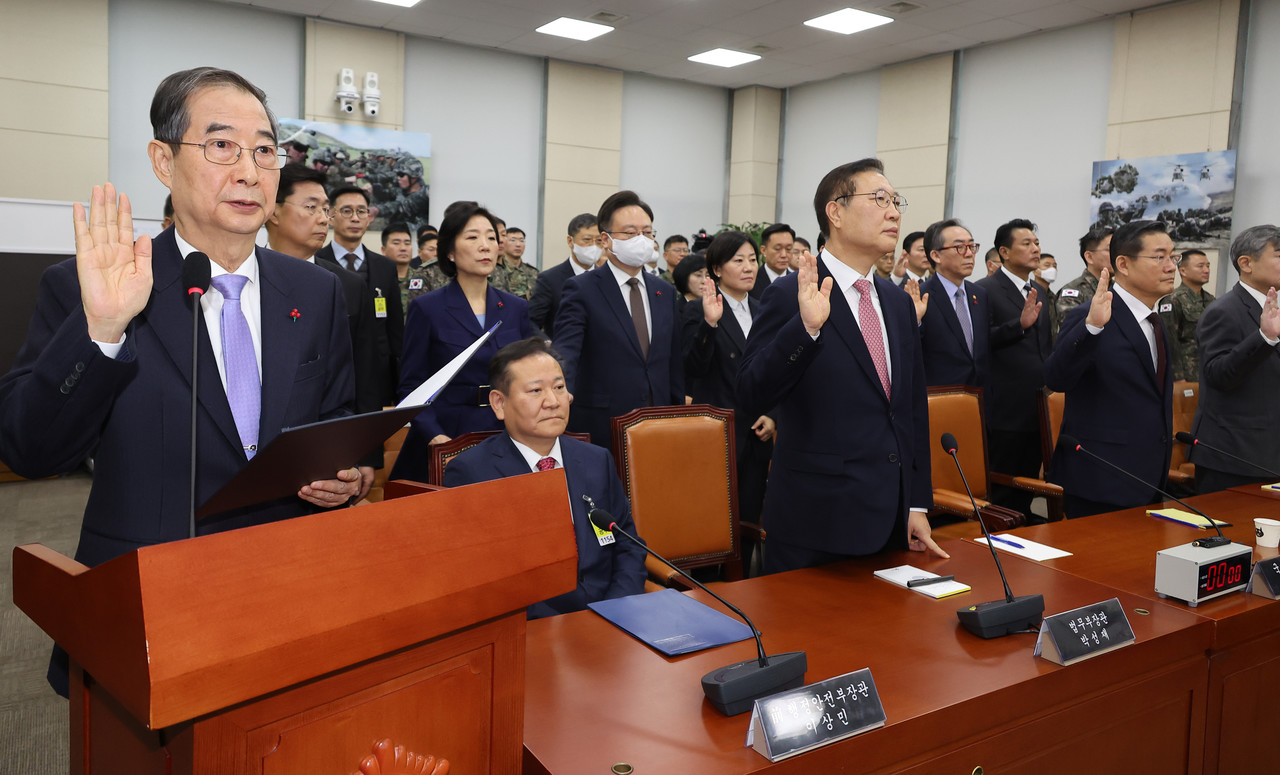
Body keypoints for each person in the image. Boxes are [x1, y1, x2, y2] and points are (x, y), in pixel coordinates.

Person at [0, 67, 362, 696]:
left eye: (265, 150)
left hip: (292, 594)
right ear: (163, 161)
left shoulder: (316, 290)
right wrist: (105, 328)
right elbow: (28, 449)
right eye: (221, 146)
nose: (249, 171)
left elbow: (335, 422)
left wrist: (349, 476)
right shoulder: (93, 286)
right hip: (147, 603)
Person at [737, 158, 945, 574]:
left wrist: (916, 502)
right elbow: (750, 393)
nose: (894, 212)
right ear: (836, 211)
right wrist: (807, 331)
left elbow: (909, 410)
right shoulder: (790, 294)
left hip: (890, 518)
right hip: (816, 524)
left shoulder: (898, 302)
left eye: (896, 201)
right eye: (880, 199)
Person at [443, 337, 647, 618]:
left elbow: (627, 544)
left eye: (559, 388)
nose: (553, 402)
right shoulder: (473, 473)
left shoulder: (595, 460)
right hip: (532, 629)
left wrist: (614, 610)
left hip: (612, 615)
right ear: (499, 403)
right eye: (536, 390)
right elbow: (480, 577)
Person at [389, 201, 535, 483]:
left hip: (504, 432)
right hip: (446, 435)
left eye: (491, 238)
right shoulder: (428, 308)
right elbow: (411, 386)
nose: (485, 246)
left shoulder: (515, 308)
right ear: (450, 252)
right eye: (472, 237)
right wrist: (435, 436)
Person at [1045, 220, 1176, 518]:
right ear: (1123, 265)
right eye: (1159, 257)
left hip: (1150, 477)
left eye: (1173, 256)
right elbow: (1056, 378)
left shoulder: (1156, 321)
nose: (1171, 267)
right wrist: (1091, 328)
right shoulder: (1091, 314)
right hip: (1101, 479)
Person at [266, 163, 382, 474]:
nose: (323, 219)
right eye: (311, 207)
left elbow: (366, 376)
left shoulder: (348, 285)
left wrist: (367, 455)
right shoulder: (245, 278)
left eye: (326, 209)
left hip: (324, 450)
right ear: (273, 212)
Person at [554, 190, 683, 447]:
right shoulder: (581, 289)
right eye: (630, 232)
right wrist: (560, 397)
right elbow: (566, 353)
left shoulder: (664, 291)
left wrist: (676, 412)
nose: (641, 239)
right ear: (606, 239)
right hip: (602, 422)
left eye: (647, 233)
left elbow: (673, 361)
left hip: (658, 420)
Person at [682, 231, 774, 524]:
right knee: (712, 519)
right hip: (718, 432)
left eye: (752, 260)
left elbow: (779, 371)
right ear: (717, 268)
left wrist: (773, 415)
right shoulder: (697, 309)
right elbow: (692, 368)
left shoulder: (765, 310)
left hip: (758, 434)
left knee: (748, 517)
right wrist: (709, 324)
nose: (749, 267)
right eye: (738, 260)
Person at [1189, 225, 1280, 493]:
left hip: (1268, 453)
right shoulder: (1224, 311)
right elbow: (1218, 375)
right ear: (1246, 263)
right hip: (1233, 457)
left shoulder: (1271, 309)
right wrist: (1264, 337)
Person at [975, 218, 1051, 520]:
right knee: (1002, 488)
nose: (1035, 249)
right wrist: (1016, 326)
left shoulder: (1040, 292)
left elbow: (1045, 346)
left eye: (1036, 243)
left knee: (1027, 487)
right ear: (1004, 252)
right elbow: (980, 343)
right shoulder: (984, 290)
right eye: (1026, 244)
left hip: (1037, 405)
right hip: (1005, 409)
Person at [317, 185, 404, 407]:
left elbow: (394, 330)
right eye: (346, 211)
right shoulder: (315, 263)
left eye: (361, 211)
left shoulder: (384, 266)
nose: (355, 218)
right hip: (329, 374)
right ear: (331, 217)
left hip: (377, 376)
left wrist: (398, 381)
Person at [917, 218, 1014, 392]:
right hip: (940, 399)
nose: (969, 254)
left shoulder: (980, 294)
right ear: (936, 255)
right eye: (959, 247)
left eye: (971, 246)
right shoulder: (920, 296)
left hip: (980, 395)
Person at [529, 213, 601, 337]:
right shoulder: (550, 279)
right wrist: (546, 344)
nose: (593, 246)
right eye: (587, 240)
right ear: (570, 241)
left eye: (598, 241)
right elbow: (531, 322)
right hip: (561, 351)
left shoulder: (606, 277)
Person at [1161, 248, 1214, 381]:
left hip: (1210, 370)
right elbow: (1169, 340)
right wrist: (1177, 377)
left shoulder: (1211, 300)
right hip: (1187, 374)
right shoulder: (1172, 300)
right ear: (1183, 271)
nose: (1206, 270)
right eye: (1200, 266)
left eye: (1208, 266)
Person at [1057, 226, 1112, 322]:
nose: (1117, 254)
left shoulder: (1120, 288)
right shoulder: (1074, 290)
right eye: (1109, 249)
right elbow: (1072, 329)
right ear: (1089, 257)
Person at [490, 226, 538, 300]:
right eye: (513, 240)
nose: (518, 245)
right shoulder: (495, 270)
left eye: (521, 240)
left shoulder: (533, 272)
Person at [749, 223, 795, 299]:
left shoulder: (797, 281)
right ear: (763, 250)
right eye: (777, 249)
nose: (784, 255)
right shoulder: (751, 280)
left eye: (788, 249)